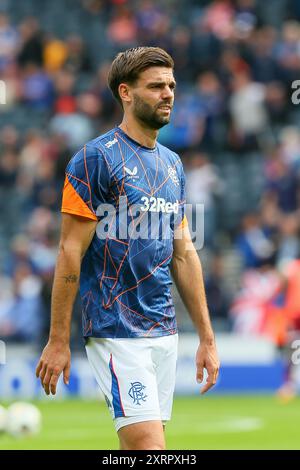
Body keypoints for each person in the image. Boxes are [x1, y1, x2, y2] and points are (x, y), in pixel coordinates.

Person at [36, 47, 219, 450]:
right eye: (156, 86)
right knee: (149, 449)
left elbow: (184, 252)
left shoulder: (173, 165)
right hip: (116, 328)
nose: (168, 93)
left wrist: (206, 336)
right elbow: (69, 251)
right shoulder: (95, 158)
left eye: (171, 85)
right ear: (126, 92)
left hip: (164, 330)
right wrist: (57, 339)